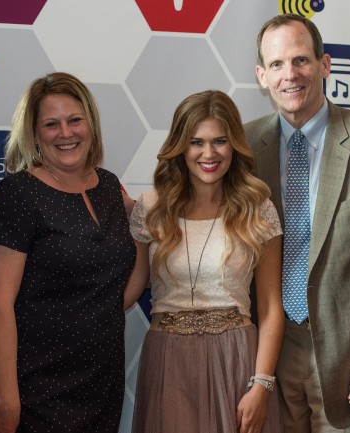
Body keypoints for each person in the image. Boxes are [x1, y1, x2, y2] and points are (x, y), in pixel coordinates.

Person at [244, 14, 350, 433]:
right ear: (262, 76)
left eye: (301, 60)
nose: (290, 75)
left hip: (349, 357)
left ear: (325, 64)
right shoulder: (243, 148)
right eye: (277, 65)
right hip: (267, 356)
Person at [124, 90, 284, 433]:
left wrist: (262, 384)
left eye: (220, 141)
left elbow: (270, 307)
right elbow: (134, 285)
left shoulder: (258, 209)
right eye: (196, 142)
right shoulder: (150, 208)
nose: (208, 153)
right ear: (181, 147)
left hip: (236, 358)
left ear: (234, 145)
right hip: (168, 359)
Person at [0, 72, 136, 433]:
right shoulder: (18, 195)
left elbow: (119, 287)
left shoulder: (110, 188)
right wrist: (7, 402)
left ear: (90, 124)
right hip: (40, 389)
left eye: (74, 120)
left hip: (103, 384)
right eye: (51, 124)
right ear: (34, 135)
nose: (66, 133)